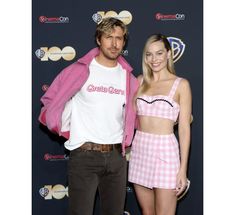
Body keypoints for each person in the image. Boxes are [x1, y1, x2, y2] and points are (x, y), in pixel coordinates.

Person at [38, 17, 138, 215]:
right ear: (99, 40)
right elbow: (51, 100)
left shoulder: (129, 78)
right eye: (109, 37)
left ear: (124, 42)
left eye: (119, 38)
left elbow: (138, 114)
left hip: (117, 158)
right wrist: (57, 123)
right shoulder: (79, 70)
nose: (114, 43)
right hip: (84, 156)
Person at [128, 33, 192, 215]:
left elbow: (185, 129)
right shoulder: (139, 82)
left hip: (166, 152)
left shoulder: (181, 85)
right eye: (149, 54)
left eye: (159, 53)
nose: (154, 59)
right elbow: (128, 118)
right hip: (140, 151)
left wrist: (182, 170)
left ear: (169, 54)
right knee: (148, 212)